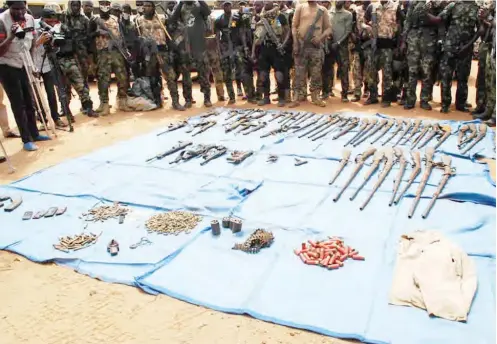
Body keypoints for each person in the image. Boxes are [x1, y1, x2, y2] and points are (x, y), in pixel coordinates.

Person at [0, 0, 50, 151]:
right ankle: (26, 139)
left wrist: (33, 65)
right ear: (9, 8)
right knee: (18, 103)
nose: (20, 13)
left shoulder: (28, 18)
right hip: (7, 65)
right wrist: (11, 36)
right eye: (16, 9)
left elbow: (32, 43)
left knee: (30, 101)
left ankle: (34, 134)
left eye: (23, 9)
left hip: (25, 64)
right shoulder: (2, 21)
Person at [428, 1, 479, 113]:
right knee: (446, 77)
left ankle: (460, 104)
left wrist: (468, 45)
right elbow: (439, 20)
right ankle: (445, 104)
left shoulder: (476, 8)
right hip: (450, 47)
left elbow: (479, 30)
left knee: (463, 77)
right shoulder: (453, 5)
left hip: (466, 48)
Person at [135, 0, 185, 110]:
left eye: (149, 6)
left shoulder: (161, 18)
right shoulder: (138, 21)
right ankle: (157, 101)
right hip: (149, 53)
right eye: (145, 6)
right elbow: (137, 38)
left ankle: (175, 102)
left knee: (171, 76)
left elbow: (172, 25)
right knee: (153, 78)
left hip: (162, 50)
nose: (146, 8)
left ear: (153, 8)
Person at [89, 0, 131, 115]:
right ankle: (104, 104)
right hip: (102, 52)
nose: (105, 6)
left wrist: (125, 49)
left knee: (122, 77)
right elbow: (89, 35)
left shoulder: (116, 19)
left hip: (117, 52)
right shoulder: (94, 20)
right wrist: (99, 33)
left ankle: (122, 101)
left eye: (107, 4)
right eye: (102, 4)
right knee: (103, 79)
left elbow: (122, 35)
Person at [171, 0, 212, 107]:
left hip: (199, 45)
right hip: (185, 46)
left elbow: (208, 12)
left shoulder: (199, 5)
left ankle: (207, 98)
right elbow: (173, 19)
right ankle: (188, 99)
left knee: (203, 73)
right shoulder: (180, 6)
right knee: (186, 75)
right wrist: (180, 4)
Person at [292, 0, 332, 107]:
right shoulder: (300, 7)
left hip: (315, 47)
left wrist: (320, 38)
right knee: (299, 72)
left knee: (316, 72)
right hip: (301, 45)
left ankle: (316, 96)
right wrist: (295, 42)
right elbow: (294, 26)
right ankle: (298, 95)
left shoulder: (322, 10)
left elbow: (328, 28)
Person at [401, 0, 439, 110]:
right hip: (413, 38)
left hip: (429, 38)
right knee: (412, 71)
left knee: (426, 71)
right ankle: (410, 100)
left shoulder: (435, 3)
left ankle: (424, 100)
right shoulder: (413, 3)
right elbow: (407, 22)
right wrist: (404, 41)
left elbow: (440, 20)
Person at [363, 0, 401, 108]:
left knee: (387, 73)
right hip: (374, 45)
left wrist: (398, 45)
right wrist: (367, 27)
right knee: (371, 71)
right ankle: (373, 96)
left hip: (388, 45)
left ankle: (386, 98)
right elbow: (363, 22)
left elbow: (400, 25)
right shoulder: (372, 7)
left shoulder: (395, 7)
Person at [33, 7, 67, 128]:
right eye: (50, 20)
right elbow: (29, 46)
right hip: (34, 64)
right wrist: (39, 41)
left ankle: (56, 117)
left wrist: (54, 43)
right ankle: (43, 121)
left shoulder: (53, 28)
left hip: (47, 63)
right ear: (43, 18)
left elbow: (56, 48)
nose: (52, 23)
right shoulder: (33, 25)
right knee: (37, 95)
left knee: (51, 93)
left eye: (54, 21)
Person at [252, 1, 290, 107]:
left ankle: (281, 98)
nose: (267, 2)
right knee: (263, 75)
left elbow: (288, 31)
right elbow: (256, 36)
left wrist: (283, 44)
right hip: (264, 49)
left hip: (276, 49)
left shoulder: (280, 16)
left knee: (279, 75)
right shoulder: (260, 17)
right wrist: (253, 52)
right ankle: (266, 98)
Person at [214, 1, 237, 104]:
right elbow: (217, 37)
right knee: (227, 74)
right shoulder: (219, 20)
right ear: (222, 7)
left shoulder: (236, 17)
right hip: (225, 49)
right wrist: (219, 51)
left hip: (236, 47)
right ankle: (231, 96)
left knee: (241, 72)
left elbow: (241, 32)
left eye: (229, 5)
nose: (227, 7)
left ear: (231, 6)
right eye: (225, 5)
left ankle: (249, 94)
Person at [331, 0, 353, 102]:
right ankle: (327, 91)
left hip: (342, 46)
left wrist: (338, 43)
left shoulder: (348, 14)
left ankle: (344, 94)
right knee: (327, 68)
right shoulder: (329, 12)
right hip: (330, 45)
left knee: (343, 69)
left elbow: (348, 31)